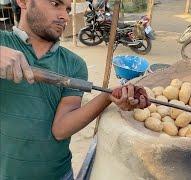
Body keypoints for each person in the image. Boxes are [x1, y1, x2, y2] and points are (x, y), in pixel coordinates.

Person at [0, 0, 150, 179]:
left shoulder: (74, 64)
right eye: (55, 3)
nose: (64, 16)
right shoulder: (3, 42)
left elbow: (60, 129)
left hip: (58, 174)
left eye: (68, 9)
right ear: (23, 2)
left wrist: (108, 96)